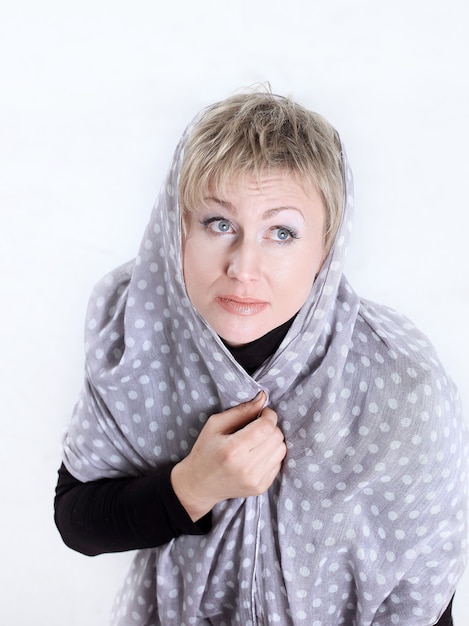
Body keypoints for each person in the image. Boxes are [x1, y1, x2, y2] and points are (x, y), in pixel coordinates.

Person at [55, 90, 467, 625]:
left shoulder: (401, 383)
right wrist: (193, 485)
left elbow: (426, 595)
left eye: (282, 232)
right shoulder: (138, 333)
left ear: (326, 249)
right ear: (175, 229)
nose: (243, 266)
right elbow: (77, 519)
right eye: (219, 224)